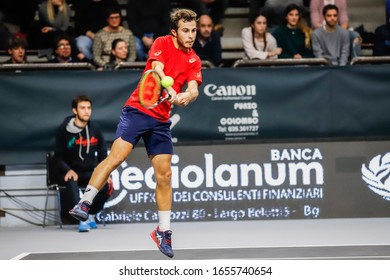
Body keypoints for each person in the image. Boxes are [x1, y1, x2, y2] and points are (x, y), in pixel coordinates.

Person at [69, 9, 202, 258]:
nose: (191, 35)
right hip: (138, 111)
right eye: (186, 30)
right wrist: (170, 86)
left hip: (161, 120)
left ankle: (163, 231)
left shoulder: (194, 59)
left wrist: (186, 95)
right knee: (117, 157)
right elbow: (158, 69)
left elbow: (194, 88)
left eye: (193, 30)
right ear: (175, 32)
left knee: (165, 175)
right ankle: (85, 201)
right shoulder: (162, 42)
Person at [54, 95, 113, 232]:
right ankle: (82, 219)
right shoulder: (64, 130)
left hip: (89, 171)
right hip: (71, 172)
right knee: (71, 182)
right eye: (82, 108)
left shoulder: (95, 129)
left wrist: (105, 173)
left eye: (88, 108)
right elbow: (57, 157)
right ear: (75, 110)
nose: (86, 111)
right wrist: (67, 169)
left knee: (107, 185)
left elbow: (103, 154)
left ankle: (91, 214)